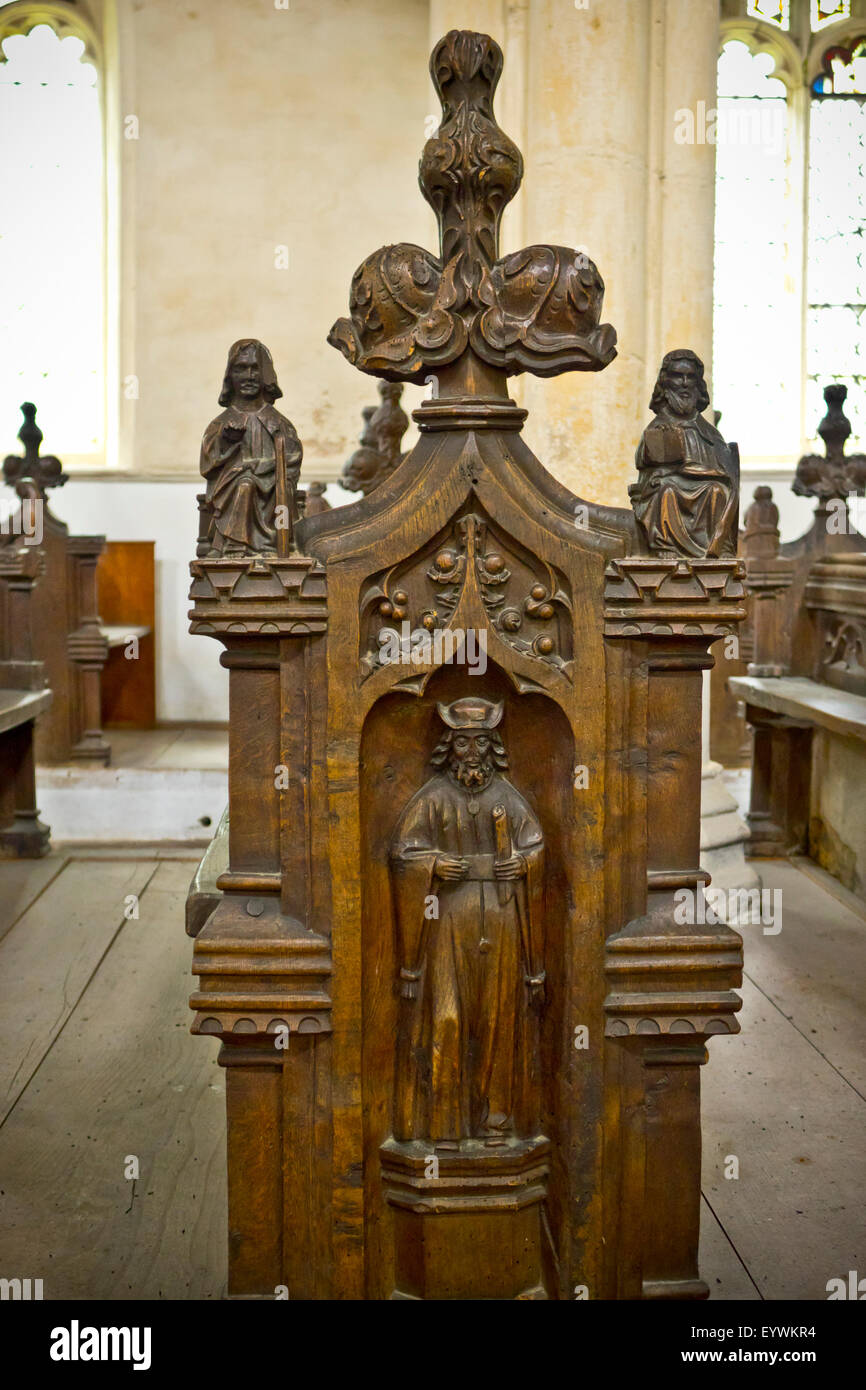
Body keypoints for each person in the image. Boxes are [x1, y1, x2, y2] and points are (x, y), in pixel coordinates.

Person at [389, 697, 545, 1144]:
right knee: (448, 1017)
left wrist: (524, 865)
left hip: (501, 918)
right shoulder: (433, 799)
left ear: (493, 746)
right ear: (449, 748)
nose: (472, 753)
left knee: (499, 1018)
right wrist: (433, 865)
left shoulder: (507, 800)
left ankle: (497, 1122)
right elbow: (403, 854)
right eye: (462, 743)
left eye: (479, 743)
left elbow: (535, 847)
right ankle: (445, 1123)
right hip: (446, 917)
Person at [630, 349, 737, 559]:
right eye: (678, 376)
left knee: (717, 491)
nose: (685, 383)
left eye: (691, 377)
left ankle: (714, 549)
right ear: (666, 382)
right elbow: (645, 465)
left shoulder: (708, 431)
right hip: (663, 487)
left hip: (704, 485)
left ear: (698, 385)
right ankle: (666, 547)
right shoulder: (659, 426)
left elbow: (728, 472)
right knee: (667, 489)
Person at [199, 339, 302, 556]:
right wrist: (227, 442)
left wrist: (261, 470)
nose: (248, 376)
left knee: (259, 483)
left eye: (255, 369)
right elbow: (208, 466)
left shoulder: (279, 423)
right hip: (233, 490)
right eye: (240, 369)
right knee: (244, 484)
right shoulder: (220, 424)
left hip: (273, 493)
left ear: (266, 375)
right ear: (230, 376)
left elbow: (292, 461)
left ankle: (269, 544)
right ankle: (233, 545)